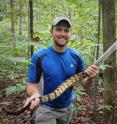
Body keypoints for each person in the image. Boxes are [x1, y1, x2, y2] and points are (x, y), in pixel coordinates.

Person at [25, 16, 99, 124]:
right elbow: (31, 86)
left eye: (66, 30)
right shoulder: (40, 56)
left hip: (67, 109)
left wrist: (90, 78)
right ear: (51, 31)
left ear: (70, 33)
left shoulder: (76, 56)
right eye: (58, 29)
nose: (63, 34)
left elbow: (85, 85)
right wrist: (35, 94)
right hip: (46, 109)